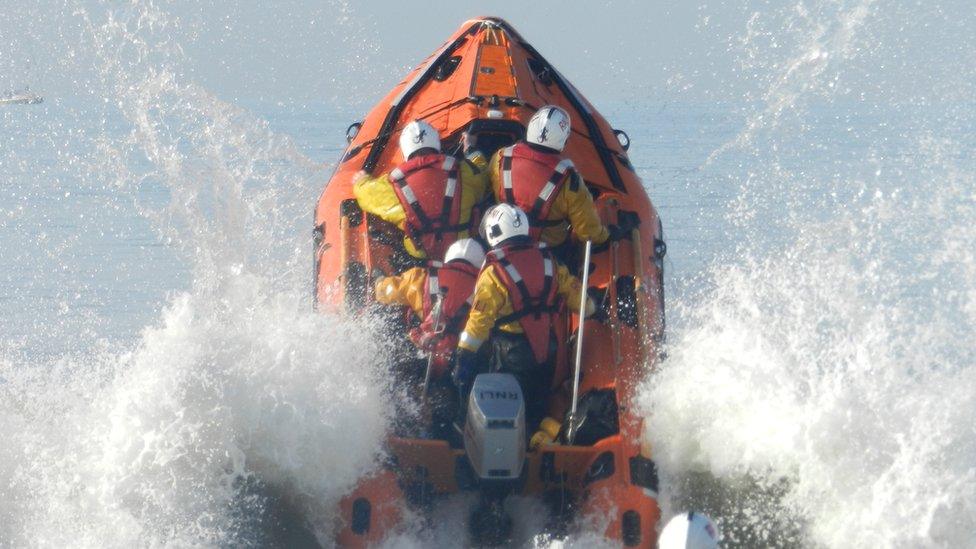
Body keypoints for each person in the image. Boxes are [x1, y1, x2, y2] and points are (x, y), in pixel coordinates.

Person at [452, 204, 595, 448]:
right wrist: (595, 307)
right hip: (549, 354)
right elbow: (583, 303)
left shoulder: (494, 273)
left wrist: (464, 355)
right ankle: (547, 437)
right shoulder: (550, 262)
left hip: (511, 355)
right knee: (538, 405)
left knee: (505, 405)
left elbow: (479, 321)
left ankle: (518, 444)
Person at [486, 105, 629, 250]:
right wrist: (608, 234)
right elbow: (588, 231)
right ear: (564, 141)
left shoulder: (501, 158)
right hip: (548, 251)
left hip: (500, 241)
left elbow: (487, 188)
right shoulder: (569, 180)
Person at [353, 120, 489, 261]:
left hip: (420, 259)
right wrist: (470, 149)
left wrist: (361, 181)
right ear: (436, 144)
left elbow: (365, 194)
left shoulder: (391, 185)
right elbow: (482, 170)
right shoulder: (466, 172)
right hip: (464, 253)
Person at [374, 238, 486, 378]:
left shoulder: (420, 277)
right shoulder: (485, 291)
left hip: (420, 350)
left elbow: (386, 292)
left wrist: (378, 281)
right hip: (457, 364)